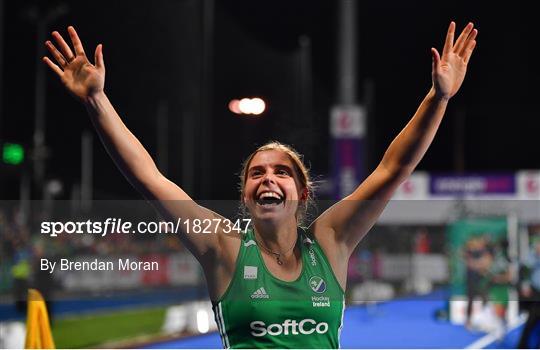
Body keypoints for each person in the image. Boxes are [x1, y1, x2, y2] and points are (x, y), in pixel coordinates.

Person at [43, 22, 478, 348]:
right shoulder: (223, 246)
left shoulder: (330, 241)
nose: (268, 177)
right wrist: (96, 100)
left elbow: (391, 170)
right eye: (257, 172)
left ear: (302, 193)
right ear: (246, 196)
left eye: (282, 171)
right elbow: (150, 178)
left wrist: (437, 98)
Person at [518, 236, 540, 349]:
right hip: (536, 292)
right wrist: (525, 286)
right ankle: (522, 345)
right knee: (531, 321)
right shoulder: (531, 257)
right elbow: (524, 271)